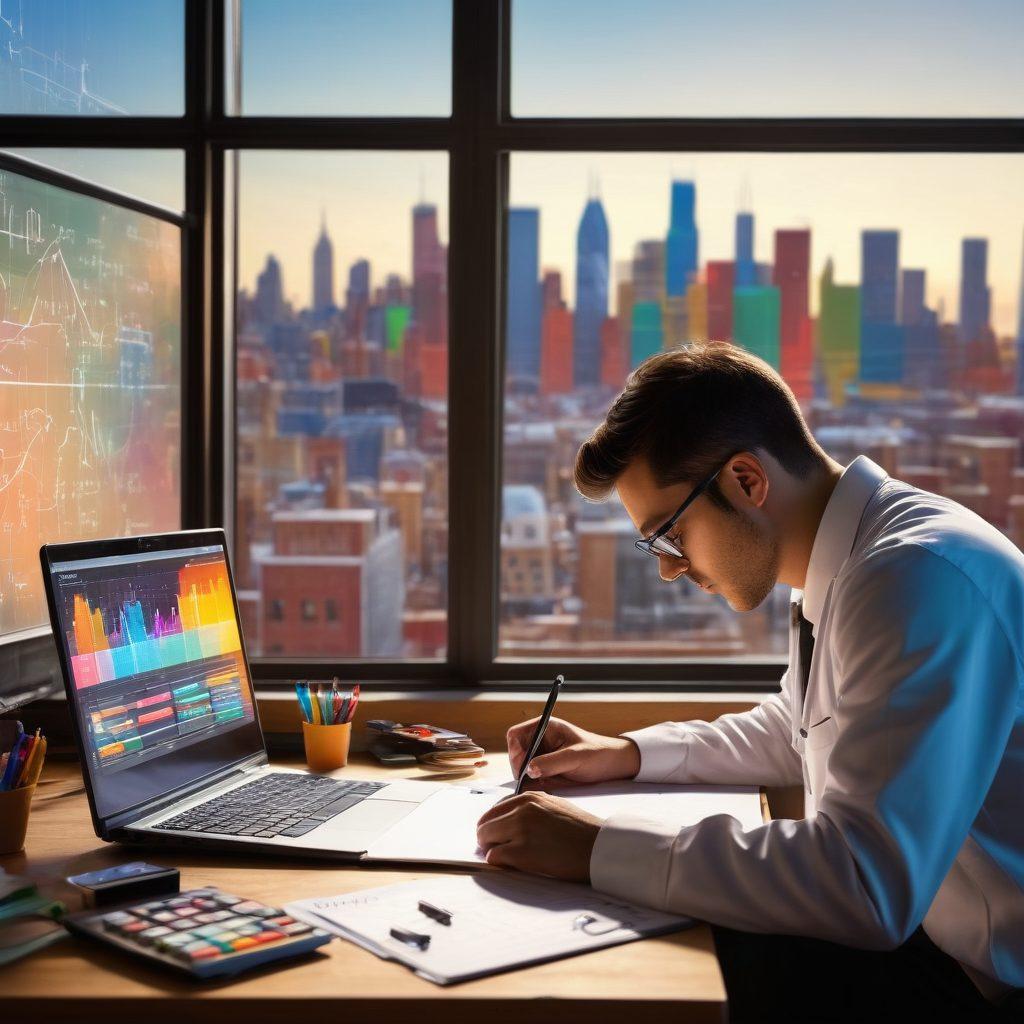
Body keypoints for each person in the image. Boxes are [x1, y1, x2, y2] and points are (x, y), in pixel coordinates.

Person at [476, 343, 1024, 1021]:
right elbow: (799, 729)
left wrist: (594, 847)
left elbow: (865, 880)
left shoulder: (913, 579)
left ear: (746, 480)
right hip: (936, 942)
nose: (669, 570)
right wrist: (626, 754)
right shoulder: (853, 561)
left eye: (668, 535)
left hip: (987, 986)